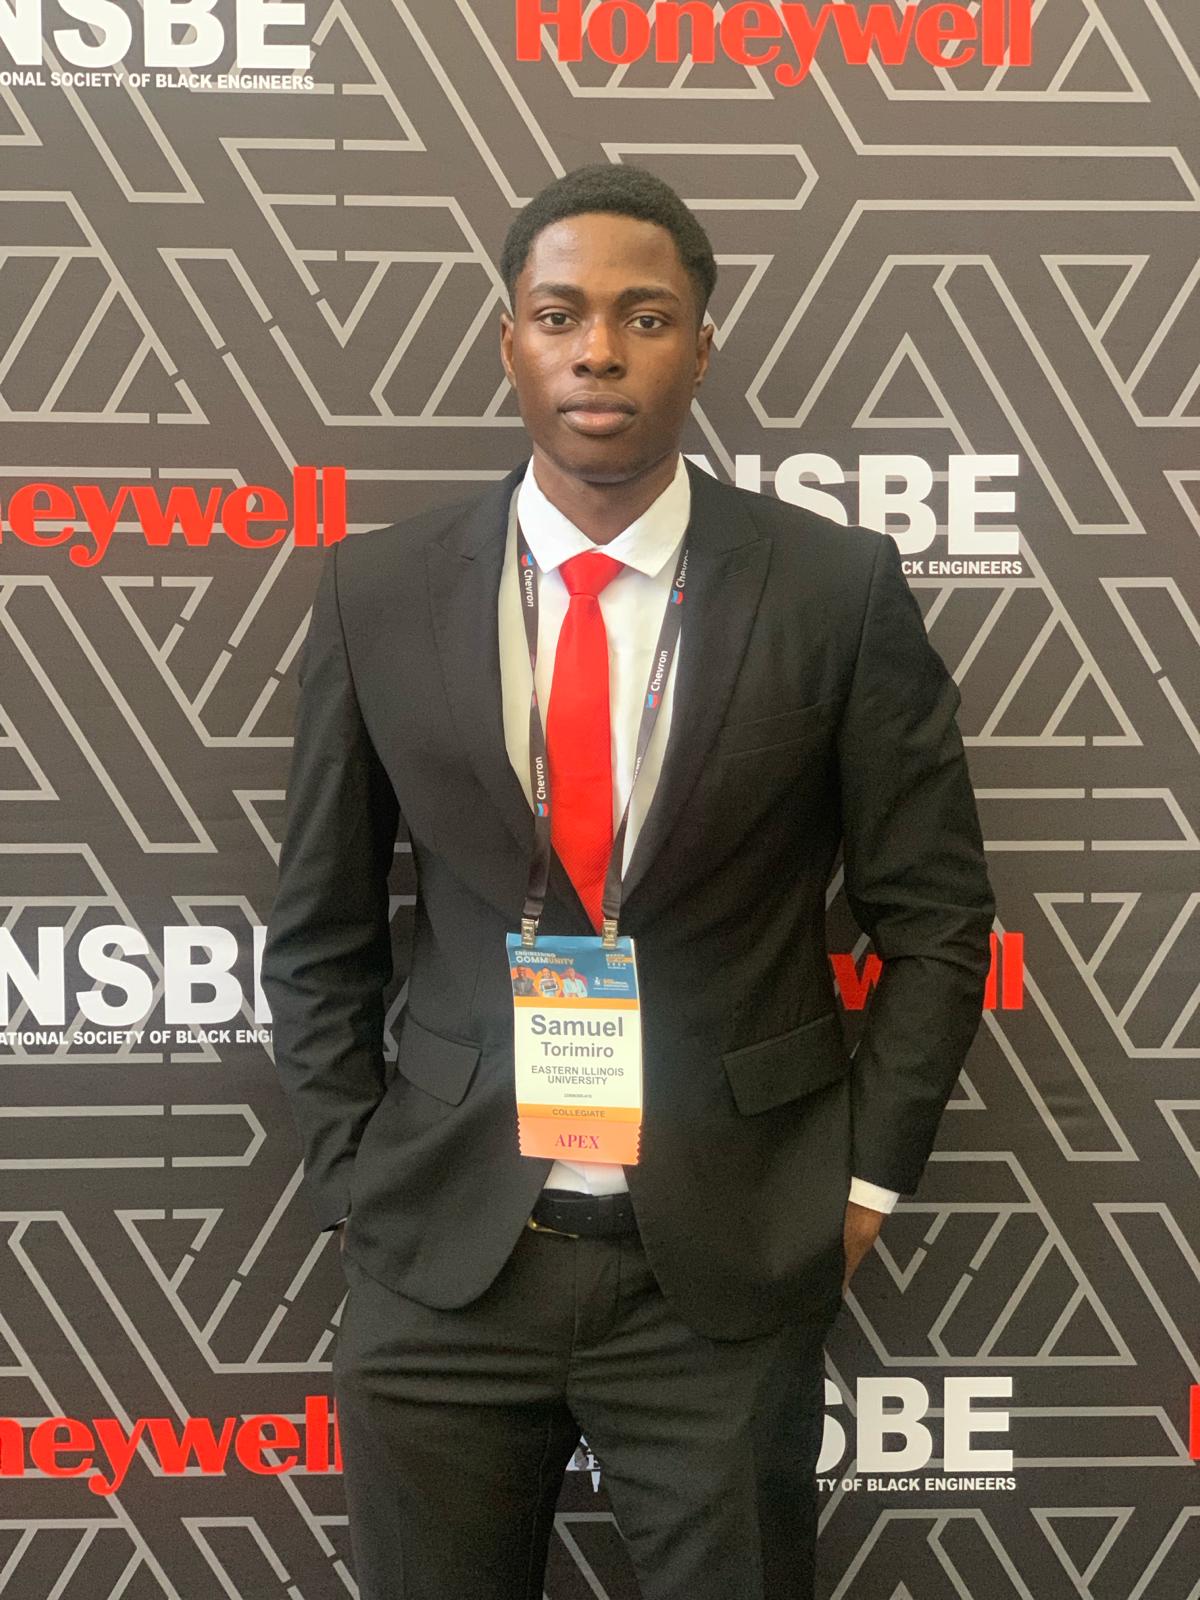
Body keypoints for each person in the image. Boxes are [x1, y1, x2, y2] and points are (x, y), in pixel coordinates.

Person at [261, 163, 996, 1600]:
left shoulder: (834, 589)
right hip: (444, 1258)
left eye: (644, 317)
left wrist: (857, 1185)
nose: (599, 349)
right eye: (561, 315)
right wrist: (357, 1184)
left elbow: (937, 921)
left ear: (703, 346)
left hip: (726, 1265)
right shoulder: (377, 592)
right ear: (509, 340)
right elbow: (320, 929)